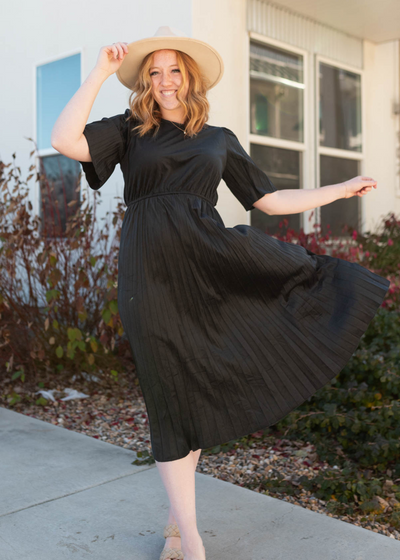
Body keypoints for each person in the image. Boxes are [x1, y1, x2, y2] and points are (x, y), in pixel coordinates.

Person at [51, 25, 390, 560]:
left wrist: (340, 189)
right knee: (167, 397)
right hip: (147, 276)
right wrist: (98, 71)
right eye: (154, 72)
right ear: (146, 82)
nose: (164, 81)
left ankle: (174, 525)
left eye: (174, 70)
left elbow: (269, 198)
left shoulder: (218, 138)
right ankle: (192, 538)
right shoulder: (129, 131)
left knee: (197, 386)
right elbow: (64, 141)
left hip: (209, 265)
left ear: (190, 77)